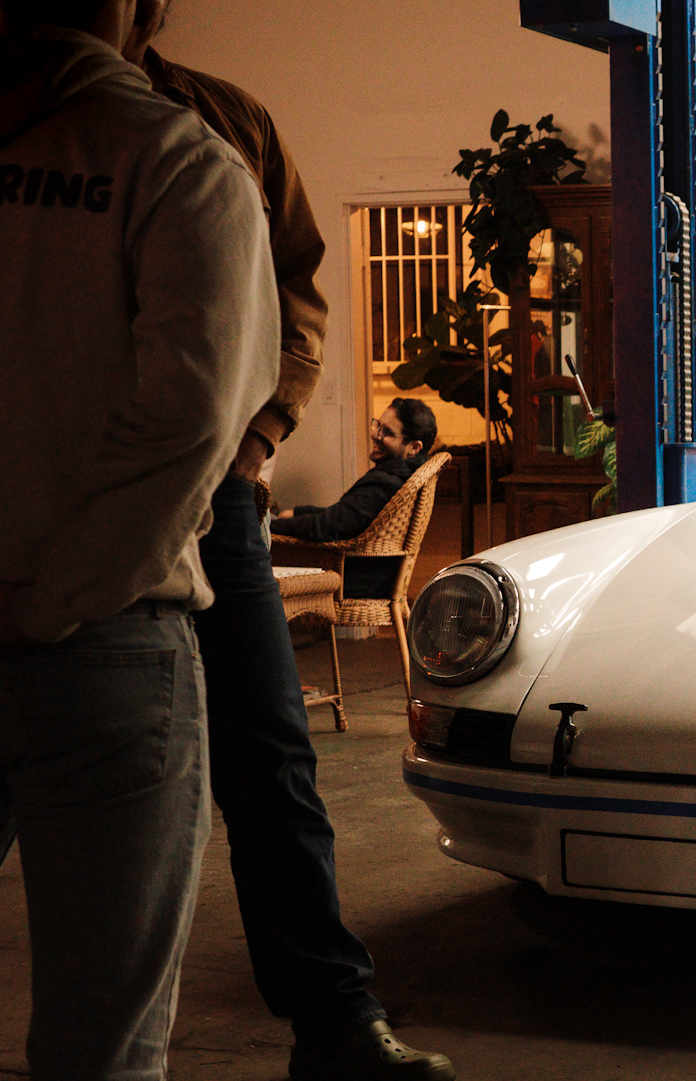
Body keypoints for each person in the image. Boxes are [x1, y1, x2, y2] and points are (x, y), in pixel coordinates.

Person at [119, 8, 456, 1078]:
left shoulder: (225, 121)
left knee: (269, 751)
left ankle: (334, 1018)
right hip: (46, 485)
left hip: (216, 490)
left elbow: (297, 287)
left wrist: (263, 438)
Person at [0, 0, 278, 1075]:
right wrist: (53, 596)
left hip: (80, 627)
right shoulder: (174, 156)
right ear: (139, 10)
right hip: (105, 641)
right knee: (99, 1043)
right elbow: (195, 413)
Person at [272, 399, 438, 599]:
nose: (375, 435)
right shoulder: (405, 476)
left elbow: (328, 527)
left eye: (387, 432)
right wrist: (297, 513)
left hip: (350, 578)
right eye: (378, 425)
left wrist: (271, 528)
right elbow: (345, 514)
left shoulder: (385, 483)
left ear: (414, 447)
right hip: (373, 577)